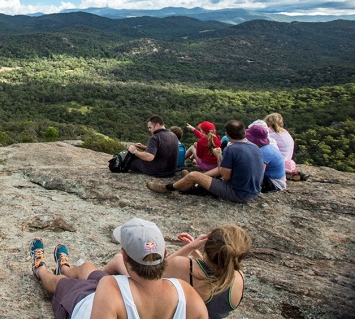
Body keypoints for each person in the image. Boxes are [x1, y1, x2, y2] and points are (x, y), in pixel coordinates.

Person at [29, 218, 207, 319]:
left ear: (124, 256)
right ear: (165, 253)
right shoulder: (186, 294)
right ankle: (65, 267)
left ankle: (41, 270)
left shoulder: (109, 285)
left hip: (84, 306)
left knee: (62, 284)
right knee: (87, 268)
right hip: (121, 291)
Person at [104, 225, 251, 319]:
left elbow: (156, 267)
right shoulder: (238, 277)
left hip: (158, 308)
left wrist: (191, 247)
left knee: (118, 260)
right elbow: (213, 274)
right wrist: (195, 253)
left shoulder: (185, 267)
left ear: (206, 244)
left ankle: (93, 289)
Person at [146, 120, 264, 203]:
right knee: (200, 177)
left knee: (194, 175)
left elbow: (225, 176)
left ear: (227, 134)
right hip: (253, 191)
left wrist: (218, 156)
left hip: (237, 193)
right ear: (243, 133)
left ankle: (167, 188)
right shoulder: (254, 147)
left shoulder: (231, 149)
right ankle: (191, 182)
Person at [245, 123, 286, 192]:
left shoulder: (263, 152)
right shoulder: (267, 147)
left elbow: (258, 174)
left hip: (275, 182)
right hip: (275, 179)